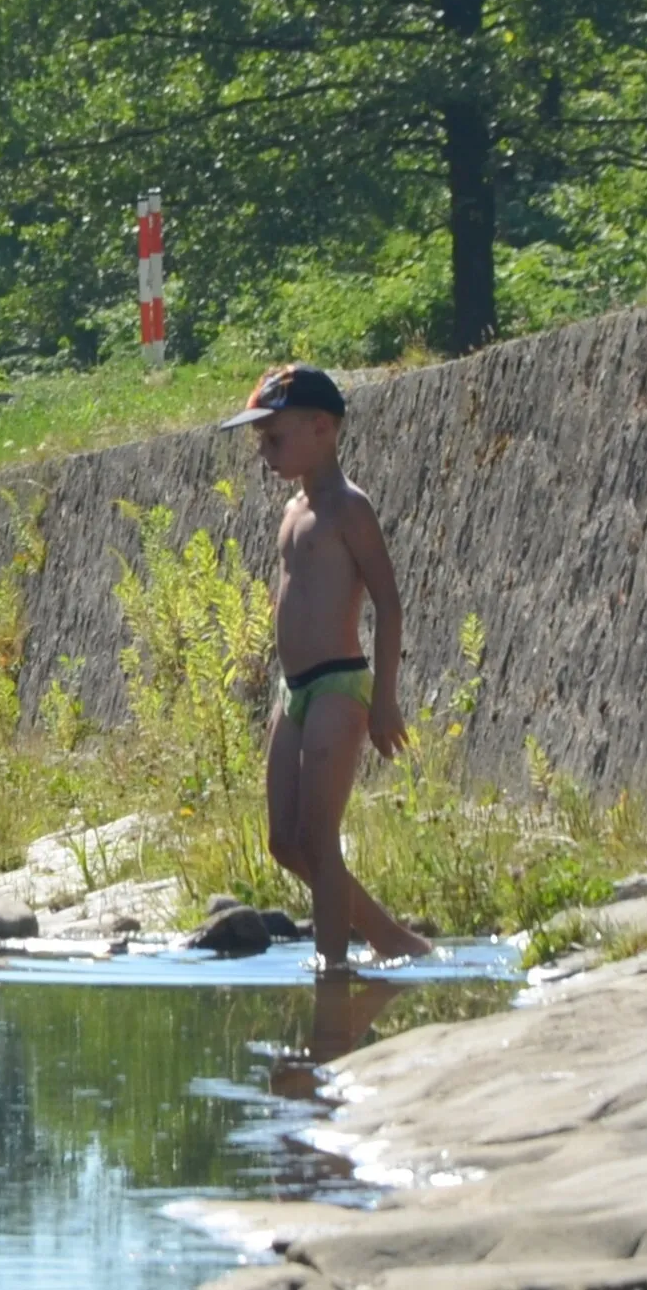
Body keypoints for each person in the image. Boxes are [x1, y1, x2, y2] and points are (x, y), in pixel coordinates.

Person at [219, 364, 434, 969]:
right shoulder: (293, 510)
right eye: (260, 440)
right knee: (284, 843)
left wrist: (385, 699)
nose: (264, 450)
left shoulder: (347, 507)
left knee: (319, 837)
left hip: (339, 683)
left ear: (322, 428)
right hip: (295, 692)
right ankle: (390, 938)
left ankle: (332, 970)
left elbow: (388, 604)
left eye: (274, 437)